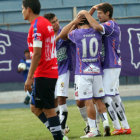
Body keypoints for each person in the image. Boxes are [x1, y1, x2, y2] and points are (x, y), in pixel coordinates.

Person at [78, 2, 131, 135]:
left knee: (106, 97)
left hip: (111, 64)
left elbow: (94, 25)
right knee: (115, 97)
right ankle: (125, 126)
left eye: (100, 14)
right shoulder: (109, 24)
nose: (98, 16)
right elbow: (85, 23)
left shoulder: (109, 25)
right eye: (97, 14)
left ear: (108, 13)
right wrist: (89, 11)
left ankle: (117, 127)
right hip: (110, 64)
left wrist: (85, 13)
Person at [57, 15, 110, 138]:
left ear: (79, 23)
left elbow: (63, 35)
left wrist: (74, 22)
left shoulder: (77, 33)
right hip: (97, 71)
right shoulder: (97, 32)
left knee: (88, 101)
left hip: (83, 72)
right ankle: (106, 122)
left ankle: (93, 129)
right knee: (98, 99)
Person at [22, 0, 66, 140]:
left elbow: (37, 53)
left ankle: (59, 136)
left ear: (28, 9)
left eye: (22, 8)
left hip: (44, 73)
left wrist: (29, 78)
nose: (21, 11)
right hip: (50, 72)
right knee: (35, 108)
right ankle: (59, 134)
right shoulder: (45, 23)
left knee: (49, 110)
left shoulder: (36, 26)